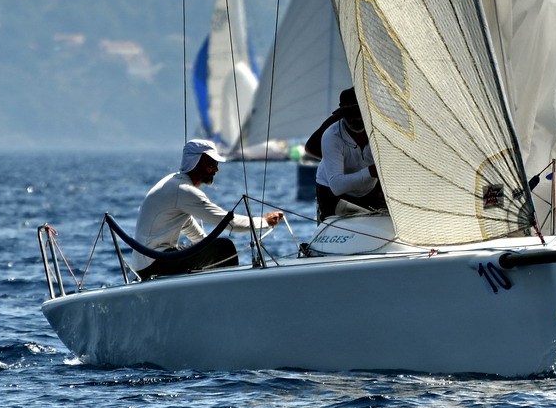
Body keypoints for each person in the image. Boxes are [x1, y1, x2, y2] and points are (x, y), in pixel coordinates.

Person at [131, 139, 285, 279]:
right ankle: (228, 294)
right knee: (224, 248)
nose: (216, 169)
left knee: (214, 248)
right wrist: (265, 221)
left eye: (216, 164)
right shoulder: (183, 190)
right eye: (211, 164)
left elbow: (186, 224)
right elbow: (230, 224)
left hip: (145, 264)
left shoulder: (173, 183)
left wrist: (206, 246)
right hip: (156, 263)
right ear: (194, 162)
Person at [304, 88, 386, 219]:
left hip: (370, 190)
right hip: (333, 194)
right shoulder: (332, 135)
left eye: (360, 112)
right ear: (341, 115)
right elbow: (337, 186)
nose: (357, 118)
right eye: (350, 114)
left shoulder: (381, 130)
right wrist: (370, 171)